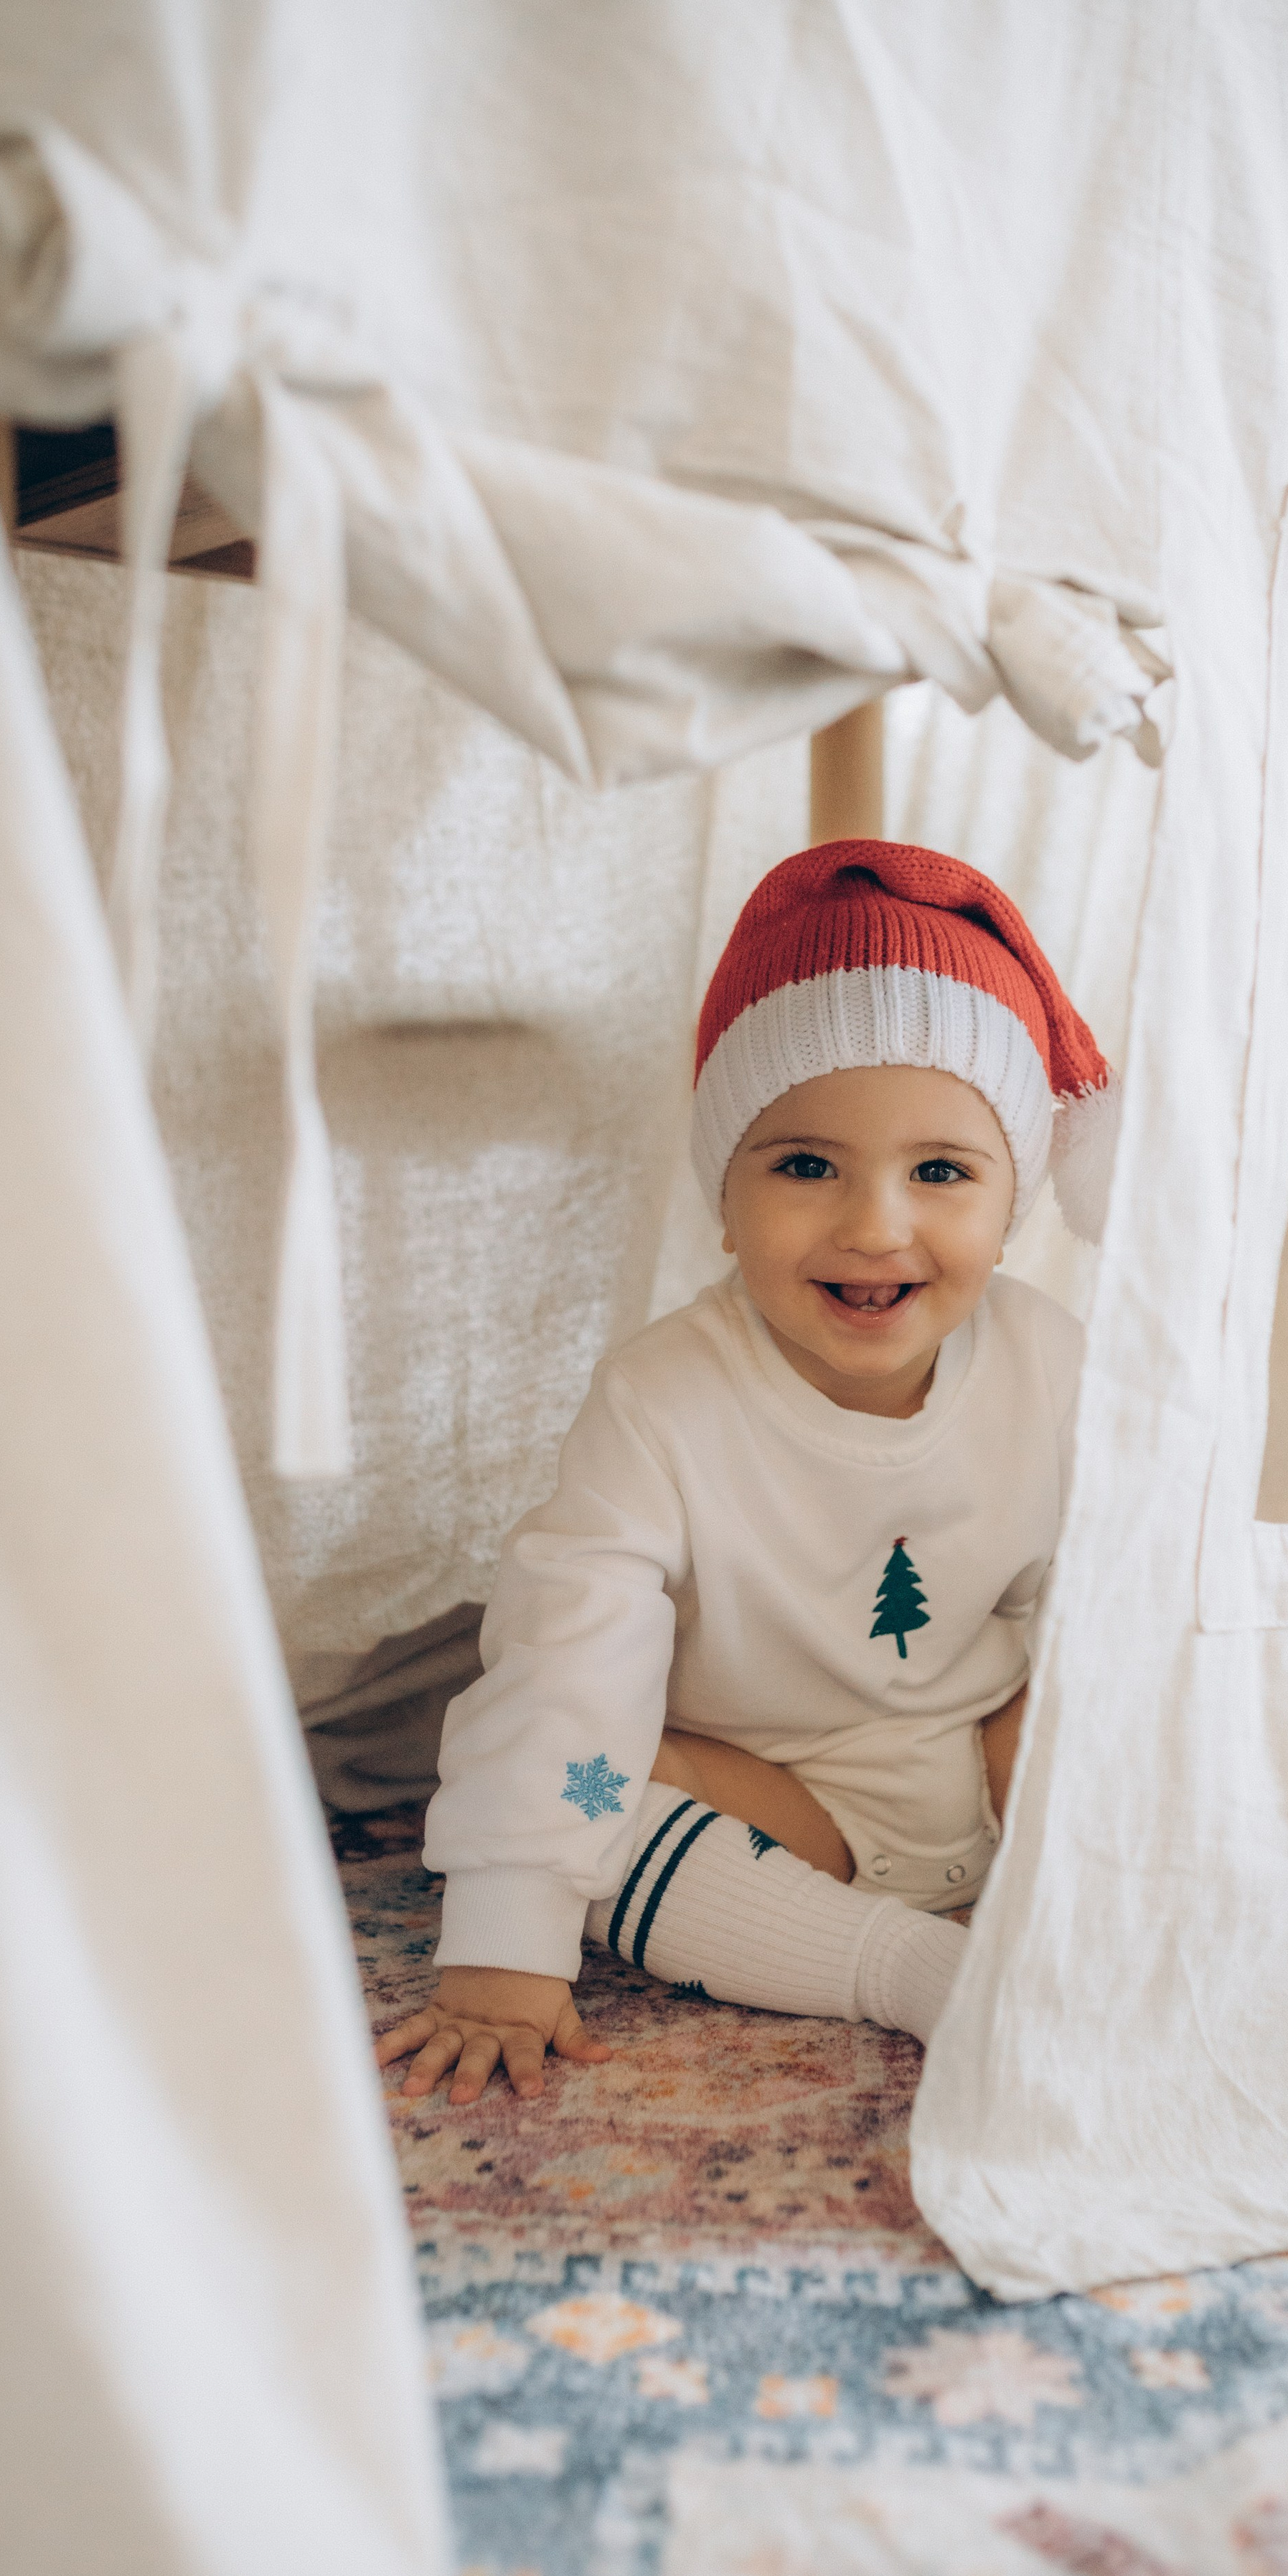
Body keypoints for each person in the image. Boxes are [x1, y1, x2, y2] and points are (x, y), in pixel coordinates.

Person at [375, 835, 1117, 2105]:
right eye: (806, 1166)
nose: (875, 1225)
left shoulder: (1049, 1362)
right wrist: (506, 1941)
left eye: (941, 1171)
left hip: (980, 1756)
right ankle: (917, 1975)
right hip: (765, 1792)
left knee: (1133, 1714)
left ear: (1014, 1204)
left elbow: (1104, 1590)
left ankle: (1068, 1912)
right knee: (583, 1793)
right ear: (726, 1196)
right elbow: (575, 1651)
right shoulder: (666, 1399)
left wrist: (1081, 1746)